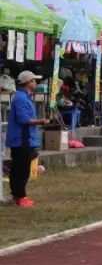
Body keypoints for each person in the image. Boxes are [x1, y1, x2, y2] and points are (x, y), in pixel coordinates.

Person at [7, 71, 47, 207]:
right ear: (28, 82)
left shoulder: (25, 97)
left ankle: (17, 196)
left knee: (19, 169)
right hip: (21, 139)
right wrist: (41, 121)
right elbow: (23, 119)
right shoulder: (21, 98)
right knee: (21, 170)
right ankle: (20, 196)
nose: (35, 83)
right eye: (34, 81)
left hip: (25, 138)